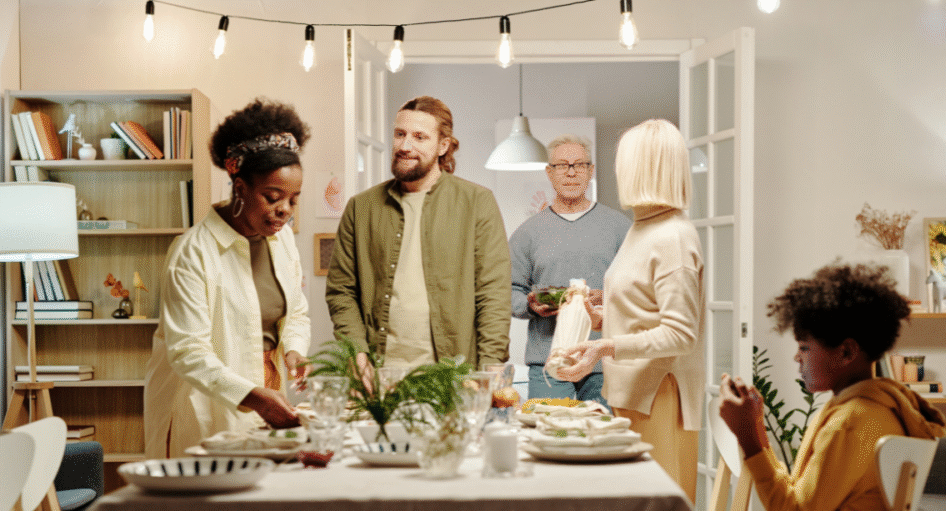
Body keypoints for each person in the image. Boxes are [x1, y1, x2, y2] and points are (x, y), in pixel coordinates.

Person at [682, 262, 946, 511]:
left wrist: (751, 439)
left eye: (805, 347)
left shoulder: (853, 421)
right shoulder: (870, 405)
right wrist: (756, 432)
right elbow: (803, 506)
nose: (796, 357)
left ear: (846, 352)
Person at [144, 98, 311, 459]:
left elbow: (296, 310)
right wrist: (252, 396)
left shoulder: (282, 240)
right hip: (206, 398)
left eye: (293, 200)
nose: (284, 210)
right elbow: (187, 351)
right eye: (272, 197)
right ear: (240, 188)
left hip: (268, 385)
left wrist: (295, 351)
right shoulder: (192, 252)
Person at [556, 119, 704, 502]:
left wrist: (604, 347)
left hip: (659, 396)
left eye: (623, 161)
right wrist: (606, 319)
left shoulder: (672, 236)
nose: (618, 170)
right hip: (632, 393)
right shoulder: (644, 227)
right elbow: (646, 312)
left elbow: (680, 334)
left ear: (643, 168)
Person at [325, 95, 511, 380]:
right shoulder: (361, 208)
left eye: (419, 137)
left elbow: (493, 293)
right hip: (378, 374)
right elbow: (341, 291)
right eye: (400, 134)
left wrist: (491, 367)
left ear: (443, 145)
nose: (405, 146)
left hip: (454, 375)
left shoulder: (477, 202)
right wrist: (356, 353)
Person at [509, 134, 630, 404]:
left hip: (604, 361)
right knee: (549, 430)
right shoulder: (527, 233)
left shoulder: (620, 228)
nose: (571, 172)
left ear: (591, 171)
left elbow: (638, 290)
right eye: (562, 165)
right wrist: (531, 305)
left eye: (579, 165)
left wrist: (608, 299)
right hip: (548, 363)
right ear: (549, 173)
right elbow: (508, 291)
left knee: (602, 431)